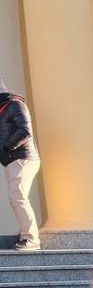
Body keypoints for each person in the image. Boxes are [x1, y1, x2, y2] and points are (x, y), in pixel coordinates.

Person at [0, 76, 40, 251]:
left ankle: (31, 239)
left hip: (22, 158)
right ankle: (26, 234)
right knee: (16, 198)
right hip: (12, 160)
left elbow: (25, 131)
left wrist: (6, 147)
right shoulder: (2, 110)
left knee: (18, 197)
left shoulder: (14, 105)